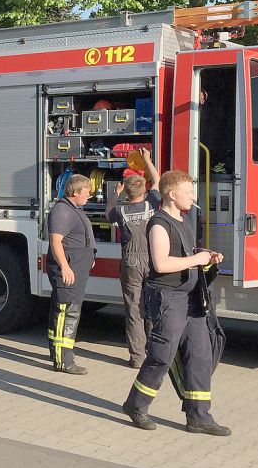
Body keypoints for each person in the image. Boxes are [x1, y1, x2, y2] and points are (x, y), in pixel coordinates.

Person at [122, 169, 231, 436]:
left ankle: (199, 416)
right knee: (162, 356)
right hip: (168, 300)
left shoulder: (183, 220)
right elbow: (161, 263)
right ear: (173, 194)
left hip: (191, 299)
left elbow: (183, 253)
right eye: (189, 192)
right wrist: (196, 261)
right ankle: (136, 405)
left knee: (201, 354)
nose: (194, 197)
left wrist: (204, 255)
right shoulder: (159, 223)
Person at [106, 148, 161, 368]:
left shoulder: (121, 211)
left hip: (131, 263)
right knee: (152, 307)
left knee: (133, 309)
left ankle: (138, 358)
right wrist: (147, 160)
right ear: (144, 189)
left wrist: (116, 193)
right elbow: (157, 179)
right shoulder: (152, 204)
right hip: (152, 260)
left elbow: (108, 211)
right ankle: (155, 352)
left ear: (127, 193)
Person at [46, 174, 95, 374]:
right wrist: (65, 267)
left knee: (64, 309)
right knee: (67, 312)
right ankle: (63, 360)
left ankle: (58, 352)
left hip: (76, 266)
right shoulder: (62, 211)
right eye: (87, 192)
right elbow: (56, 241)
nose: (89, 196)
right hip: (69, 269)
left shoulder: (72, 208)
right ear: (75, 192)